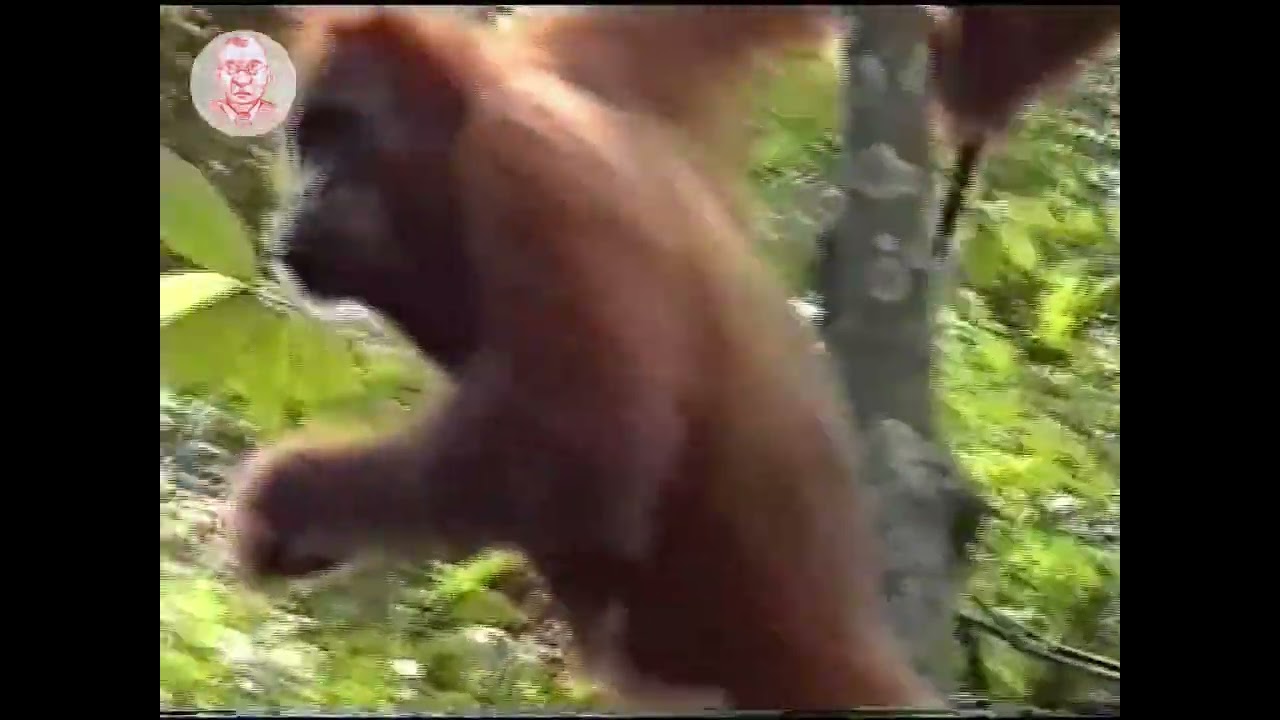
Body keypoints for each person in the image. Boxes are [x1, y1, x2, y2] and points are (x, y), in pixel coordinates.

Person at [207, 34, 279, 134]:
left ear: (268, 75)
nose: (242, 80)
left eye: (254, 67)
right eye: (231, 68)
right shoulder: (208, 113)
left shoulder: (277, 116)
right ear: (218, 75)